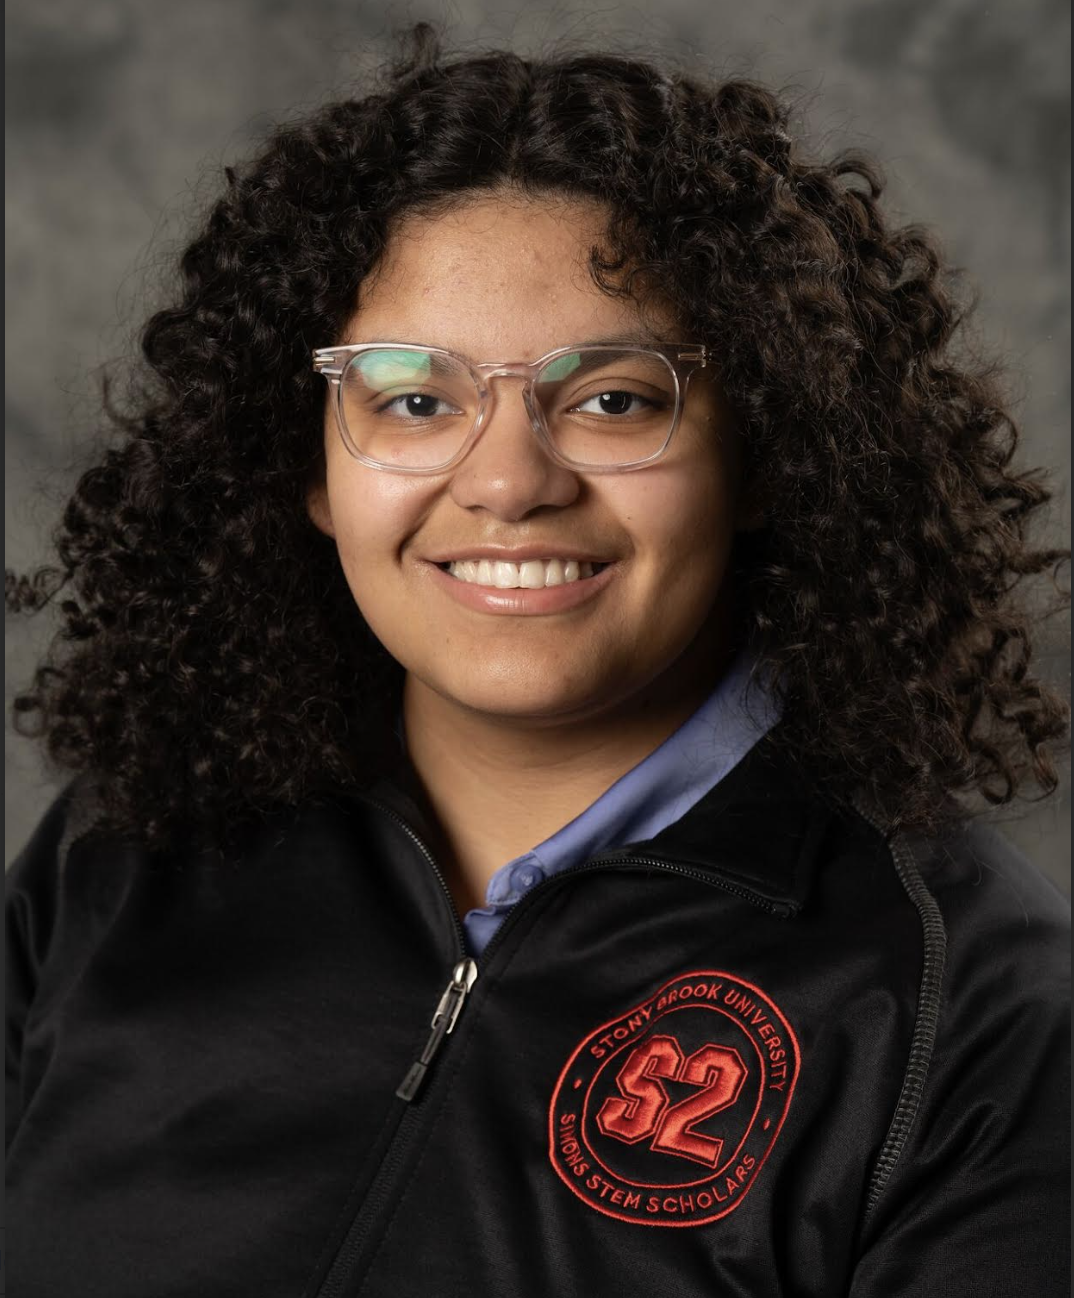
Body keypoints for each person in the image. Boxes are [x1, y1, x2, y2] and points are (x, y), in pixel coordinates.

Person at [5, 24, 1070, 1298]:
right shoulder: (123, 852)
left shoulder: (964, 1002)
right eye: (413, 397)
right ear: (307, 467)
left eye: (613, 398)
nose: (509, 481)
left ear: (768, 454)